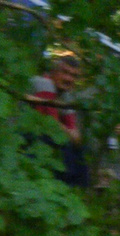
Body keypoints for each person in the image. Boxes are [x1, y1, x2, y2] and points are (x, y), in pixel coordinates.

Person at [28, 51, 88, 187]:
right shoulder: (43, 83)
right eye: (65, 72)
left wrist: (68, 133)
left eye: (73, 75)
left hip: (40, 140)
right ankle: (67, 187)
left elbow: (77, 138)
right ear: (53, 72)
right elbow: (51, 125)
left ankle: (79, 190)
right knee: (59, 142)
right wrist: (68, 132)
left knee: (79, 149)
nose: (69, 79)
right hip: (22, 136)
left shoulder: (66, 97)